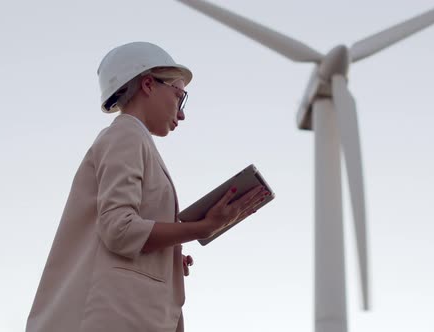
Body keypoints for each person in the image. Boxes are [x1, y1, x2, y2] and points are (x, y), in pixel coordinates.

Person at [25, 41, 268, 332]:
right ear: (149, 84)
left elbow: (119, 234)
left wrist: (167, 258)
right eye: (180, 96)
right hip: (112, 317)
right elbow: (120, 229)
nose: (181, 113)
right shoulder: (127, 133)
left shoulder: (130, 138)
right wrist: (201, 228)